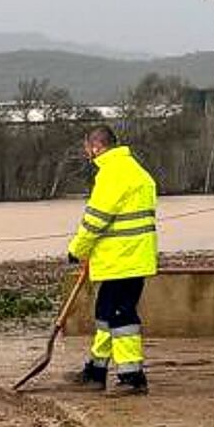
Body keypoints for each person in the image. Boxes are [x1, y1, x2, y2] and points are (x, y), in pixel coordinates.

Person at [67, 125, 158, 394]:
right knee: (105, 314)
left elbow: (95, 221)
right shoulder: (135, 171)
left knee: (121, 316)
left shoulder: (113, 175)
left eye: (87, 149)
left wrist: (77, 250)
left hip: (123, 260)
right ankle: (96, 371)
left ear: (96, 147)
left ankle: (132, 378)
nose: (87, 155)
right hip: (128, 257)